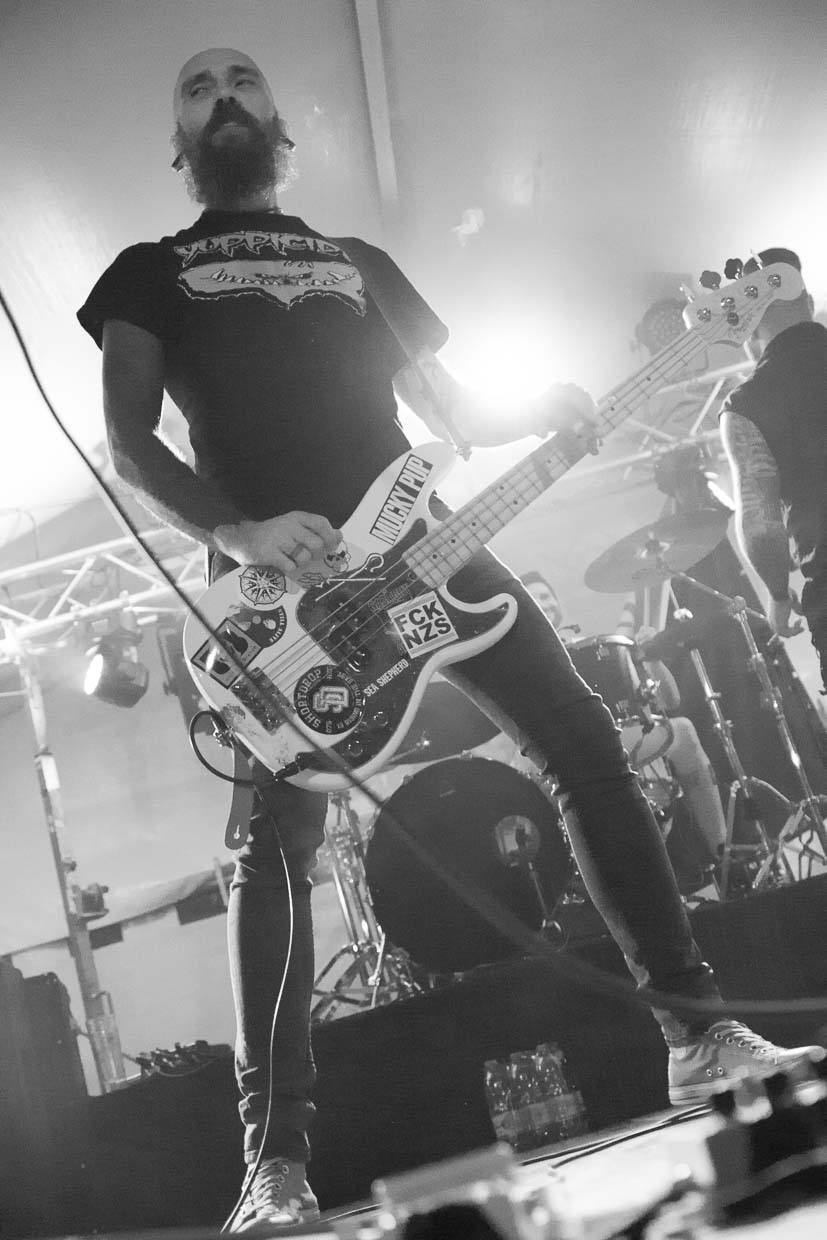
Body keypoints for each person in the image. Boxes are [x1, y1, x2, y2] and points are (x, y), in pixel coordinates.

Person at [77, 52, 822, 1229]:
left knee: (582, 736)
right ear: (181, 137)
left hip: (423, 542)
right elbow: (130, 443)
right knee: (275, 846)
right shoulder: (147, 273)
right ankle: (273, 1165)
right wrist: (241, 531)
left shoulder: (357, 264)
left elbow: (452, 412)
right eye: (197, 86)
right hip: (280, 586)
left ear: (276, 120)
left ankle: (695, 1032)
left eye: (241, 80)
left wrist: (548, 413)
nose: (222, 94)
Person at [719, 247, 827, 693]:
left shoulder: (746, 405)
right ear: (809, 303)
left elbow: (761, 526)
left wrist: (778, 595)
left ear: (748, 330)